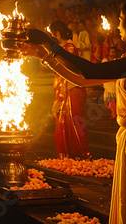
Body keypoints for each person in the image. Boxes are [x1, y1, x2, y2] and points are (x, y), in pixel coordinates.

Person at [21, 0, 126, 224]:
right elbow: (83, 80)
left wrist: (48, 42)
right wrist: (45, 56)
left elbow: (89, 70)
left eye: (119, 20)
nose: (117, 25)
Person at [48, 21, 91, 160]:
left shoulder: (69, 48)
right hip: (63, 92)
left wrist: (61, 97)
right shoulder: (62, 48)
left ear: (58, 34)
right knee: (63, 125)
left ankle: (78, 155)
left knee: (74, 125)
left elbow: (66, 72)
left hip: (70, 91)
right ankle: (67, 157)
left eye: (52, 35)